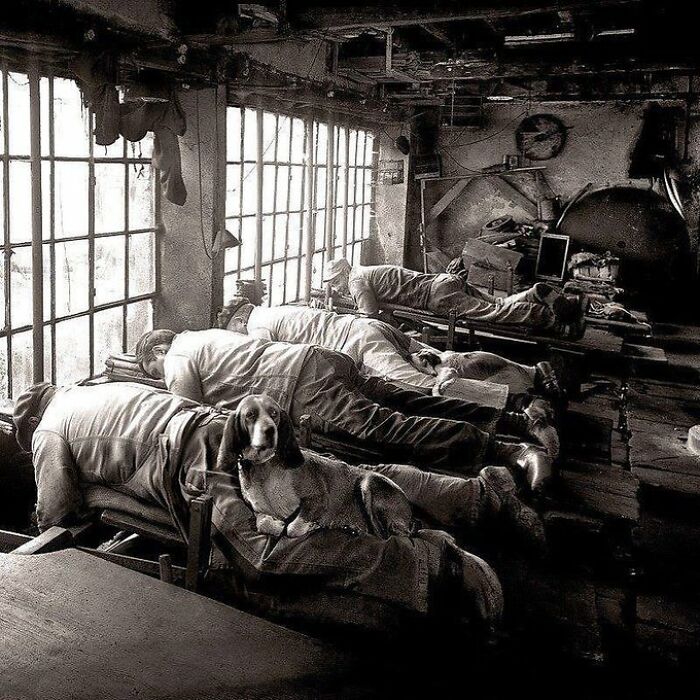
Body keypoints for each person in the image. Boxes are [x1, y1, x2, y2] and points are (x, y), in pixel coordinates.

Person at [13, 381, 547, 631]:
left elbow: (56, 513)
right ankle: (480, 496)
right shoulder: (94, 389)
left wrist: (79, 500)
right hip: (215, 426)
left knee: (261, 555)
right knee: (343, 475)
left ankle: (430, 565)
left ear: (31, 420)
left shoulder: (49, 428)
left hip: (198, 461)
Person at [135, 328, 554, 491]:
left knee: (386, 427)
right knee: (404, 399)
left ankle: (509, 451)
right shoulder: (203, 334)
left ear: (157, 352)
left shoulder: (176, 356)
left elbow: (187, 410)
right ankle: (516, 422)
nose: (160, 376)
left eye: (153, 370)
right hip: (318, 358)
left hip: (299, 383)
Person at [218, 298, 561, 456]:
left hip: (356, 343)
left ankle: (521, 407)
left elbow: (273, 363)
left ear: (239, 319)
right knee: (443, 359)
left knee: (425, 388)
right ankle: (530, 377)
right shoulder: (274, 309)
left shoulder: (255, 325)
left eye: (233, 328)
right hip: (366, 327)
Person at [323, 258, 585, 338]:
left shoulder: (355, 281)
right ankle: (534, 294)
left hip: (436, 297)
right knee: (495, 304)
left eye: (334, 281)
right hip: (443, 281)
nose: (335, 286)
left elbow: (368, 315)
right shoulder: (365, 271)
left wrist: (340, 316)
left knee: (492, 314)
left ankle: (552, 321)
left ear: (344, 272)